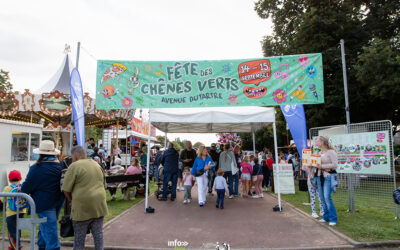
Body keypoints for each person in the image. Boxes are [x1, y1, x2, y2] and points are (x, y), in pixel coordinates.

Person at [62, 146, 108, 250]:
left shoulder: (74, 166)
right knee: (98, 234)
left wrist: (71, 200)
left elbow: (66, 189)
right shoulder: (97, 165)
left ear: (75, 156)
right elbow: (104, 185)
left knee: (79, 237)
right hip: (99, 204)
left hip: (82, 205)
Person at [21, 140, 64, 250]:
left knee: (49, 229)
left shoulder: (36, 168)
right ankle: (43, 246)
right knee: (46, 226)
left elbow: (27, 186)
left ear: (40, 153)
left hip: (43, 203)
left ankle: (47, 247)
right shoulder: (60, 166)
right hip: (58, 200)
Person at [315, 135, 338, 226]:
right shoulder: (320, 152)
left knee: (327, 197)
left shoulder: (331, 152)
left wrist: (322, 166)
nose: (317, 143)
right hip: (320, 176)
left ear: (322, 142)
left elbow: (335, 164)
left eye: (318, 141)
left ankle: (333, 218)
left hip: (328, 176)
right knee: (322, 197)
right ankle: (326, 216)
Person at [3, 170, 27, 250]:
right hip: (21, 212)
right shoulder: (22, 187)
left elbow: (3, 200)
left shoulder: (7, 188)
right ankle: (16, 244)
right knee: (18, 229)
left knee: (11, 231)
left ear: (9, 180)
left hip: (11, 213)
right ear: (20, 178)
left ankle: (16, 246)